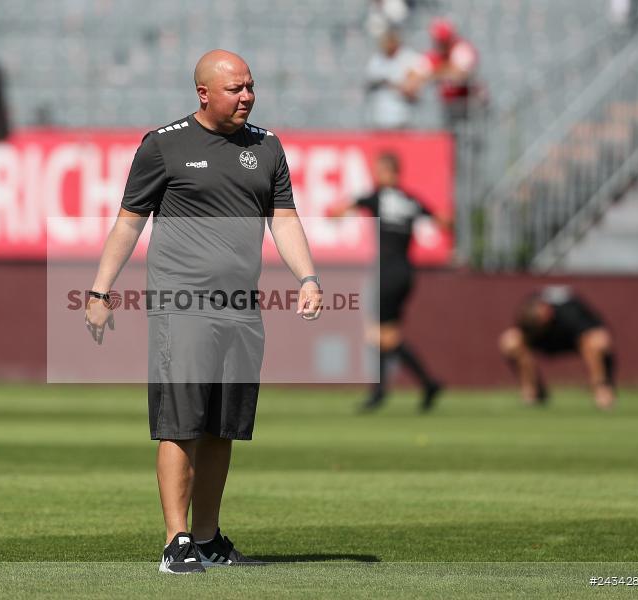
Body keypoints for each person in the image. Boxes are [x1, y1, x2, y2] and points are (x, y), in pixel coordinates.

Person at [84, 49, 323, 574]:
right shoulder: (163, 145)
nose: (247, 97)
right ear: (204, 94)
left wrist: (307, 277)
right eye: (236, 89)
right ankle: (177, 541)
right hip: (181, 305)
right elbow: (129, 223)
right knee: (181, 423)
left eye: (251, 87)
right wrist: (100, 292)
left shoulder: (267, 147)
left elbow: (284, 219)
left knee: (223, 426)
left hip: (242, 308)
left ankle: (210, 538)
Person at [328, 152, 451, 412]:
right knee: (384, 332)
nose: (376, 175)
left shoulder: (378, 196)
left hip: (387, 273)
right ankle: (381, 392)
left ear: (388, 172)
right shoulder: (410, 200)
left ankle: (426, 383)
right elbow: (443, 221)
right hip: (406, 273)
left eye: (379, 170)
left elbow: (339, 210)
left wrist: (334, 213)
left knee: (382, 335)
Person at [498, 286, 617, 410]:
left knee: (597, 341)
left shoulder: (571, 314)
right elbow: (518, 335)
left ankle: (602, 389)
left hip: (573, 341)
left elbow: (598, 335)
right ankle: (533, 390)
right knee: (510, 342)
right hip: (544, 342)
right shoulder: (528, 310)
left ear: (548, 312)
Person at [422, 18, 483, 129]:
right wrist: (445, 70)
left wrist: (437, 72)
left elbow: (460, 74)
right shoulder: (434, 55)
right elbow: (418, 77)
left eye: (443, 40)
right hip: (446, 107)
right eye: (438, 40)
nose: (440, 44)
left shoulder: (462, 49)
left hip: (468, 107)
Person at [365, 28, 425, 129]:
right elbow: (370, 82)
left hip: (403, 117)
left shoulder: (408, 58)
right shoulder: (377, 60)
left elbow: (413, 87)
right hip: (380, 117)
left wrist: (392, 85)